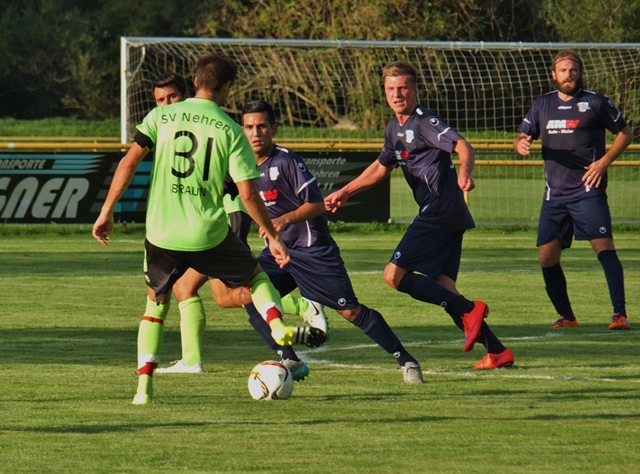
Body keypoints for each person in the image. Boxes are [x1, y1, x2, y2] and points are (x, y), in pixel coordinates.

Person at [92, 53, 326, 405]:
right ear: (228, 87)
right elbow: (248, 193)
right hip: (208, 233)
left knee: (155, 307)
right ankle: (278, 326)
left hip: (161, 233)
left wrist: (106, 211)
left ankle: (143, 391)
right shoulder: (231, 130)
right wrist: (273, 236)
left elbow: (129, 162)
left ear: (195, 81)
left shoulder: (160, 116)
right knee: (256, 279)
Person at [325, 61, 514, 370]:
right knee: (445, 288)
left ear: (414, 90)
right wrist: (345, 192)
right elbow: (381, 167)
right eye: (391, 89)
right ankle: (497, 351)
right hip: (447, 212)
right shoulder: (393, 128)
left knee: (394, 275)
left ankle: (469, 309)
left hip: (439, 209)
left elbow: (462, 144)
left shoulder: (424, 121)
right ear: (384, 92)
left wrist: (465, 172)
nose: (397, 94)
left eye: (402, 88)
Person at [148, 73, 328, 375]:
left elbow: (238, 184)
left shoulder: (210, 125)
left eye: (172, 97)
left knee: (206, 288)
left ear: (187, 95)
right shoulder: (172, 126)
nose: (166, 104)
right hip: (204, 220)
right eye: (160, 100)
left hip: (222, 215)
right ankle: (195, 359)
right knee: (209, 293)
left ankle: (300, 308)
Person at [237, 99, 424, 384]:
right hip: (277, 252)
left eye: (262, 126)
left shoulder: (286, 161)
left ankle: (406, 360)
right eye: (249, 127)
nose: (255, 133)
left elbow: (317, 205)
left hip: (312, 250)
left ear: (274, 129)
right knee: (250, 295)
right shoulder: (240, 165)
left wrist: (283, 220)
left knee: (350, 311)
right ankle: (290, 359)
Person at [514, 49, 633, 330]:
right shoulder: (542, 104)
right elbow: (522, 136)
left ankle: (619, 314)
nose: (569, 75)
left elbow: (625, 133)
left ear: (580, 73)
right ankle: (567, 317)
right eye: (563, 70)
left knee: (603, 247)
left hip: (587, 190)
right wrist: (520, 143)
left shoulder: (595, 102)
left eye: (573, 70)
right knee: (547, 256)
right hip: (554, 195)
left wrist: (603, 162)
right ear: (553, 75)